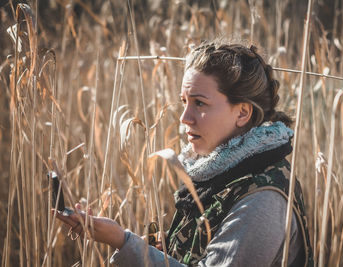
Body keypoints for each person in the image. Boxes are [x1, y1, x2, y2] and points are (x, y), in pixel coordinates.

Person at [55, 40, 313, 267]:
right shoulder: (221, 174)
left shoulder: (263, 199)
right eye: (184, 101)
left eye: (199, 103)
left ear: (243, 113)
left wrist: (123, 242)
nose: (184, 118)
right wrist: (154, 250)